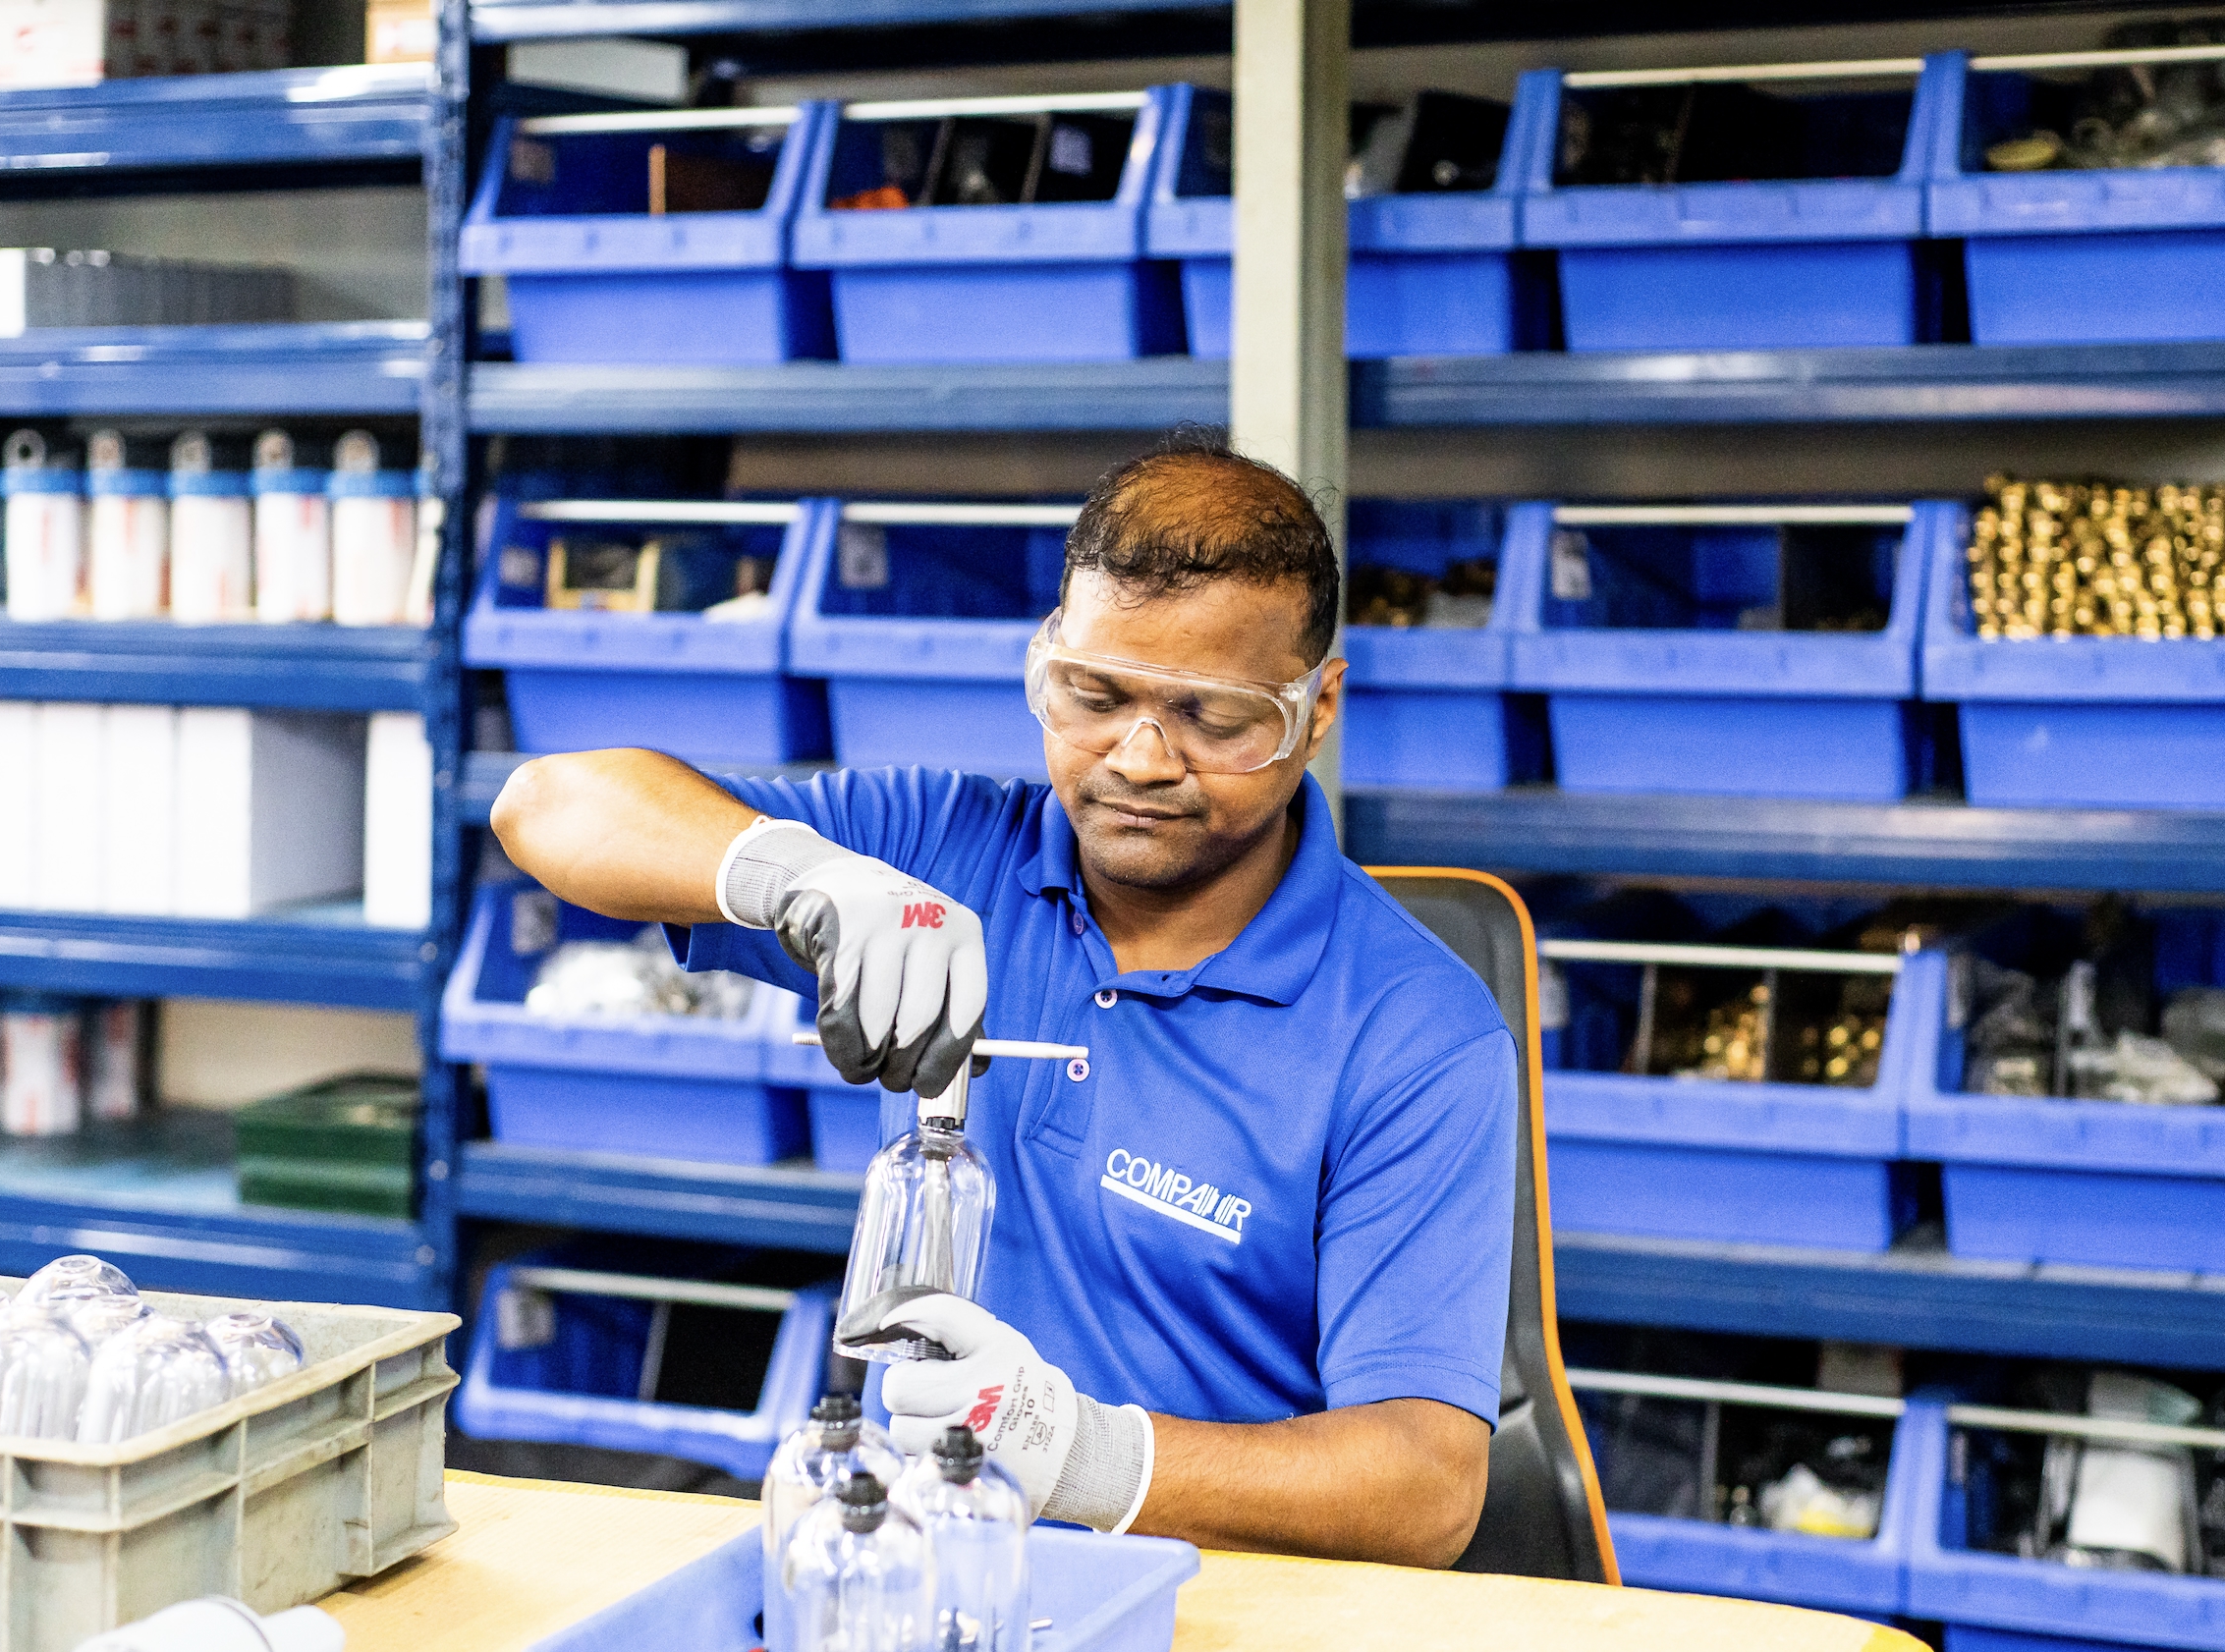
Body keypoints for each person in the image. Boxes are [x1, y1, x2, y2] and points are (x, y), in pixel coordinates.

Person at [492, 433, 1517, 1568]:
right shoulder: (942, 848)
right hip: (926, 1574)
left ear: (1314, 709)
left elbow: (1423, 1489)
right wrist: (804, 875)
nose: (1137, 757)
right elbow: (548, 803)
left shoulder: (1414, 1033)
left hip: (1220, 1602)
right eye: (1092, 694)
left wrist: (1075, 1450)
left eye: (1210, 717)